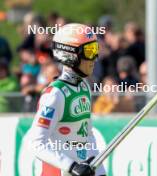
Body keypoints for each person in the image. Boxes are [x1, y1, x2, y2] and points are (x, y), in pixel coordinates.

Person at [27, 23, 106, 176]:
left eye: (96, 50)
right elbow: (35, 143)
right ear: (70, 55)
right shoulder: (55, 94)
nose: (95, 58)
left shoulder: (84, 86)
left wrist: (100, 171)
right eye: (90, 52)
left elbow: (87, 136)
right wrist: (72, 167)